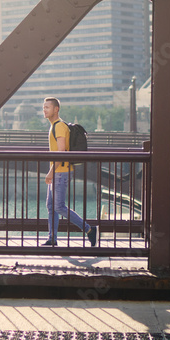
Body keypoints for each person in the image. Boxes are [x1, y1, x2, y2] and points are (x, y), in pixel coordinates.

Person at [42, 97, 98, 247]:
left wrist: (50, 173)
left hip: (61, 172)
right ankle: (52, 238)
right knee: (51, 206)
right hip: (58, 171)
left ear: (56, 109)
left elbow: (61, 153)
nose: (44, 109)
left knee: (59, 206)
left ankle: (89, 229)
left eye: (48, 107)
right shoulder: (54, 126)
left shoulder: (59, 126)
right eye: (44, 107)